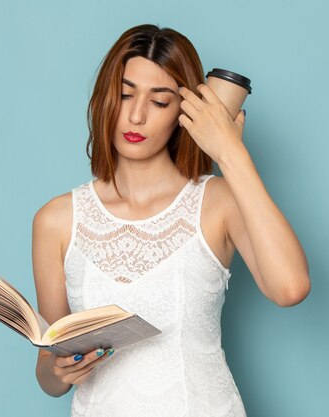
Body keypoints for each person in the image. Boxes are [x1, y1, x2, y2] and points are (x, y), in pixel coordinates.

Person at [31, 23, 310, 417]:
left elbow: (291, 287)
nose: (137, 114)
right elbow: (49, 377)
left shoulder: (217, 201)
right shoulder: (56, 220)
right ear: (104, 99)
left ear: (184, 112)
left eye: (160, 102)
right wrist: (58, 369)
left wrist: (230, 153)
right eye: (125, 94)